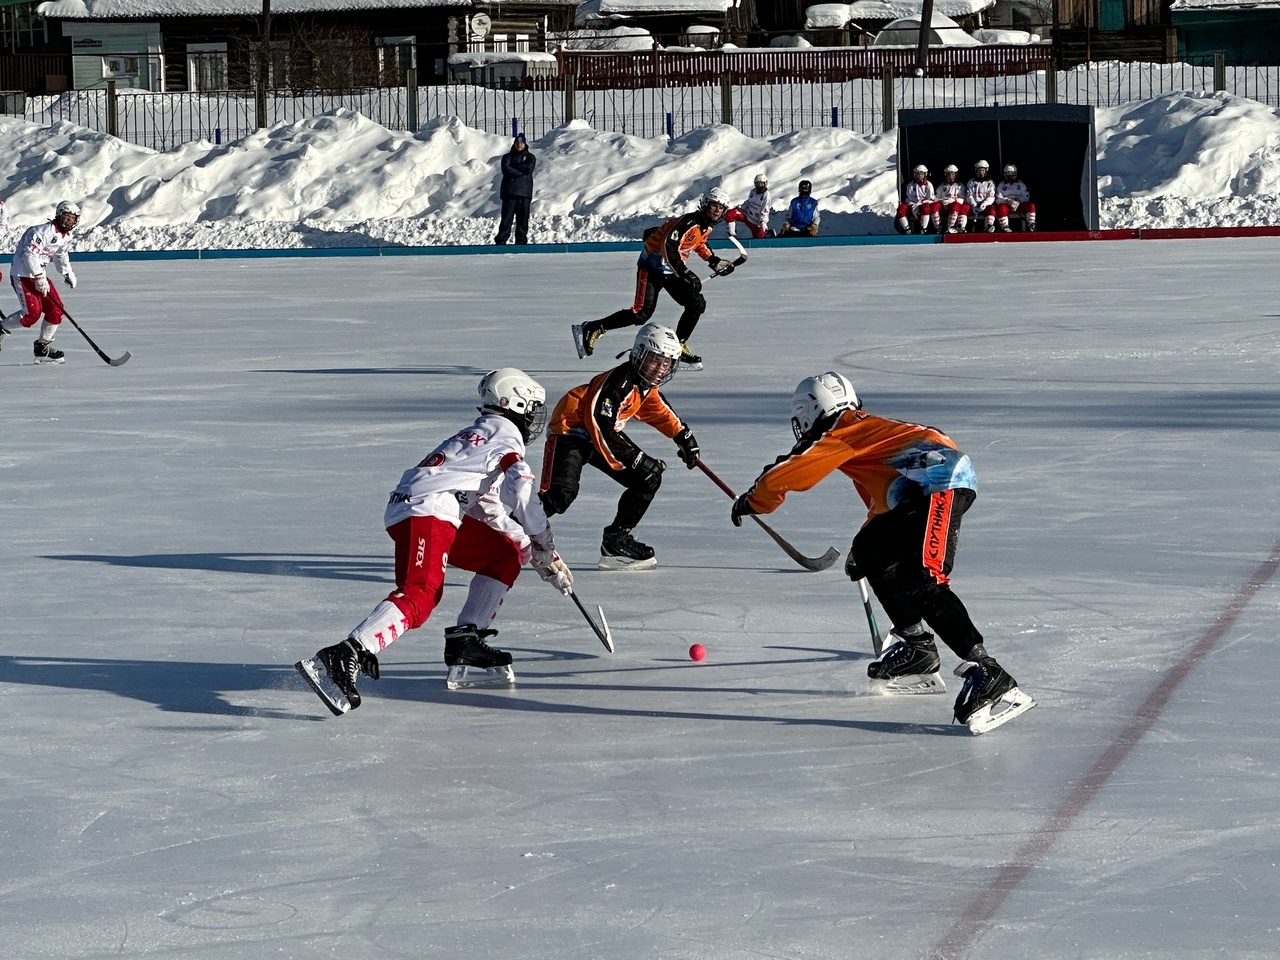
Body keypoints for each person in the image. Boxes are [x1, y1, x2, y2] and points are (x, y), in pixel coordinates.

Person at [728, 372, 1035, 734]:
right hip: (926, 489)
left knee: (922, 578)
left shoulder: (840, 431)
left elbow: (792, 471)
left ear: (811, 412)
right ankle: (919, 648)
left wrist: (755, 499)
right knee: (870, 550)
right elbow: (884, 500)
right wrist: (866, 543)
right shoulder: (866, 433)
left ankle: (990, 673)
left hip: (940, 486)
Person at [295, 368, 575, 713]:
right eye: (531, 409)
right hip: (427, 510)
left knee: (503, 554)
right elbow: (523, 491)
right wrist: (543, 539)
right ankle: (347, 652)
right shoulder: (505, 437)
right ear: (512, 402)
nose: (533, 420)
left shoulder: (483, 435)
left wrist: (535, 552)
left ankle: (466, 639)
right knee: (421, 594)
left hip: (431, 509)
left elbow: (488, 506)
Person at [541, 322, 699, 571]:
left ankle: (616, 541)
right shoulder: (620, 381)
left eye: (666, 363)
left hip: (599, 434)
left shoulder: (644, 386)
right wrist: (635, 458)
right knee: (560, 495)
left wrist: (683, 436)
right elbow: (599, 422)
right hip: (571, 430)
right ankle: (506, 532)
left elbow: (658, 410)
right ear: (638, 354)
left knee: (648, 478)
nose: (659, 368)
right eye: (654, 360)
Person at [571, 188, 736, 370]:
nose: (717, 211)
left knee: (696, 303)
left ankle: (679, 345)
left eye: (721, 208)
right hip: (651, 266)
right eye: (714, 205)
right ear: (705, 204)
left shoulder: (705, 226)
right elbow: (668, 246)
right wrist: (685, 273)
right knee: (641, 313)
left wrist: (714, 261)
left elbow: (699, 243)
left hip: (670, 271)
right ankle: (593, 327)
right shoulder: (688, 222)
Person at [0, 200, 80, 363]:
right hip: (22, 275)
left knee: (56, 310)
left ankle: (42, 347)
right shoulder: (41, 231)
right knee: (31, 314)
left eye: (72, 219)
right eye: (66, 217)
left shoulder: (65, 237)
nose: (68, 221)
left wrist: (67, 272)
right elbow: (29, 255)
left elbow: (60, 255)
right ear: (58, 215)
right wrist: (39, 276)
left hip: (38, 275)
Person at [494, 132, 536, 246]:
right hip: (510, 193)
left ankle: (521, 241)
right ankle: (501, 240)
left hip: (524, 193)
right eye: (517, 142)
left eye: (521, 142)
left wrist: (515, 168)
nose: (519, 144)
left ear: (525, 144)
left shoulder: (530, 157)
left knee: (522, 221)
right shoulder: (507, 157)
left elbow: (528, 168)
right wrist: (520, 170)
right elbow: (506, 170)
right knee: (506, 220)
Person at [895, 164, 940, 235]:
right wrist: (912, 204)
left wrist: (921, 203)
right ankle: (907, 230)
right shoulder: (910, 185)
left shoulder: (929, 185)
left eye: (921, 174)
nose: (919, 176)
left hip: (924, 205)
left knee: (926, 207)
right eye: (918, 174)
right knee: (901, 209)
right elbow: (908, 198)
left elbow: (931, 199)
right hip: (913, 205)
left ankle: (923, 228)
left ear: (925, 175)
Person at [993, 163, 1037, 233]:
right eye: (1008, 174)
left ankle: (1031, 224)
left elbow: (1026, 196)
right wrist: (1008, 201)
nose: (1010, 176)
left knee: (1030, 205)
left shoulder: (1021, 184)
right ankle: (1005, 227)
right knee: (1001, 208)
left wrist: (1019, 201)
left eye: (1011, 174)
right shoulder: (1001, 185)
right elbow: (998, 198)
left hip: (1019, 205)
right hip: (1007, 205)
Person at [726, 173, 771, 239]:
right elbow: (749, 202)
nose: (760, 186)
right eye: (758, 184)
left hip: (756, 221)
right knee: (730, 213)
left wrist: (763, 222)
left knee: (759, 239)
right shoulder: (753, 192)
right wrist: (741, 207)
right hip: (747, 215)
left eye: (762, 183)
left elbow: (765, 209)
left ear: (765, 183)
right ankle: (732, 234)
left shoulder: (766, 195)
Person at [936, 164, 971, 234]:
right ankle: (939, 227)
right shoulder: (941, 186)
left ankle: (956, 227)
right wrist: (942, 201)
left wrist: (953, 200)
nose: (951, 176)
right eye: (949, 174)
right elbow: (936, 198)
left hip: (956, 207)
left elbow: (963, 198)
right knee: (935, 206)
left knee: (959, 206)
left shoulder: (960, 186)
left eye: (953, 174)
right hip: (945, 207)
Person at [965, 160, 997, 233]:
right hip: (974, 205)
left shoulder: (990, 182)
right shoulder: (971, 182)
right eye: (979, 170)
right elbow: (969, 195)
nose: (981, 173)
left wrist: (984, 204)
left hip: (984, 205)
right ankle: (960, 226)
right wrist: (973, 204)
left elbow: (991, 196)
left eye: (983, 170)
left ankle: (988, 226)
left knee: (992, 208)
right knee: (964, 207)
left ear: (986, 170)